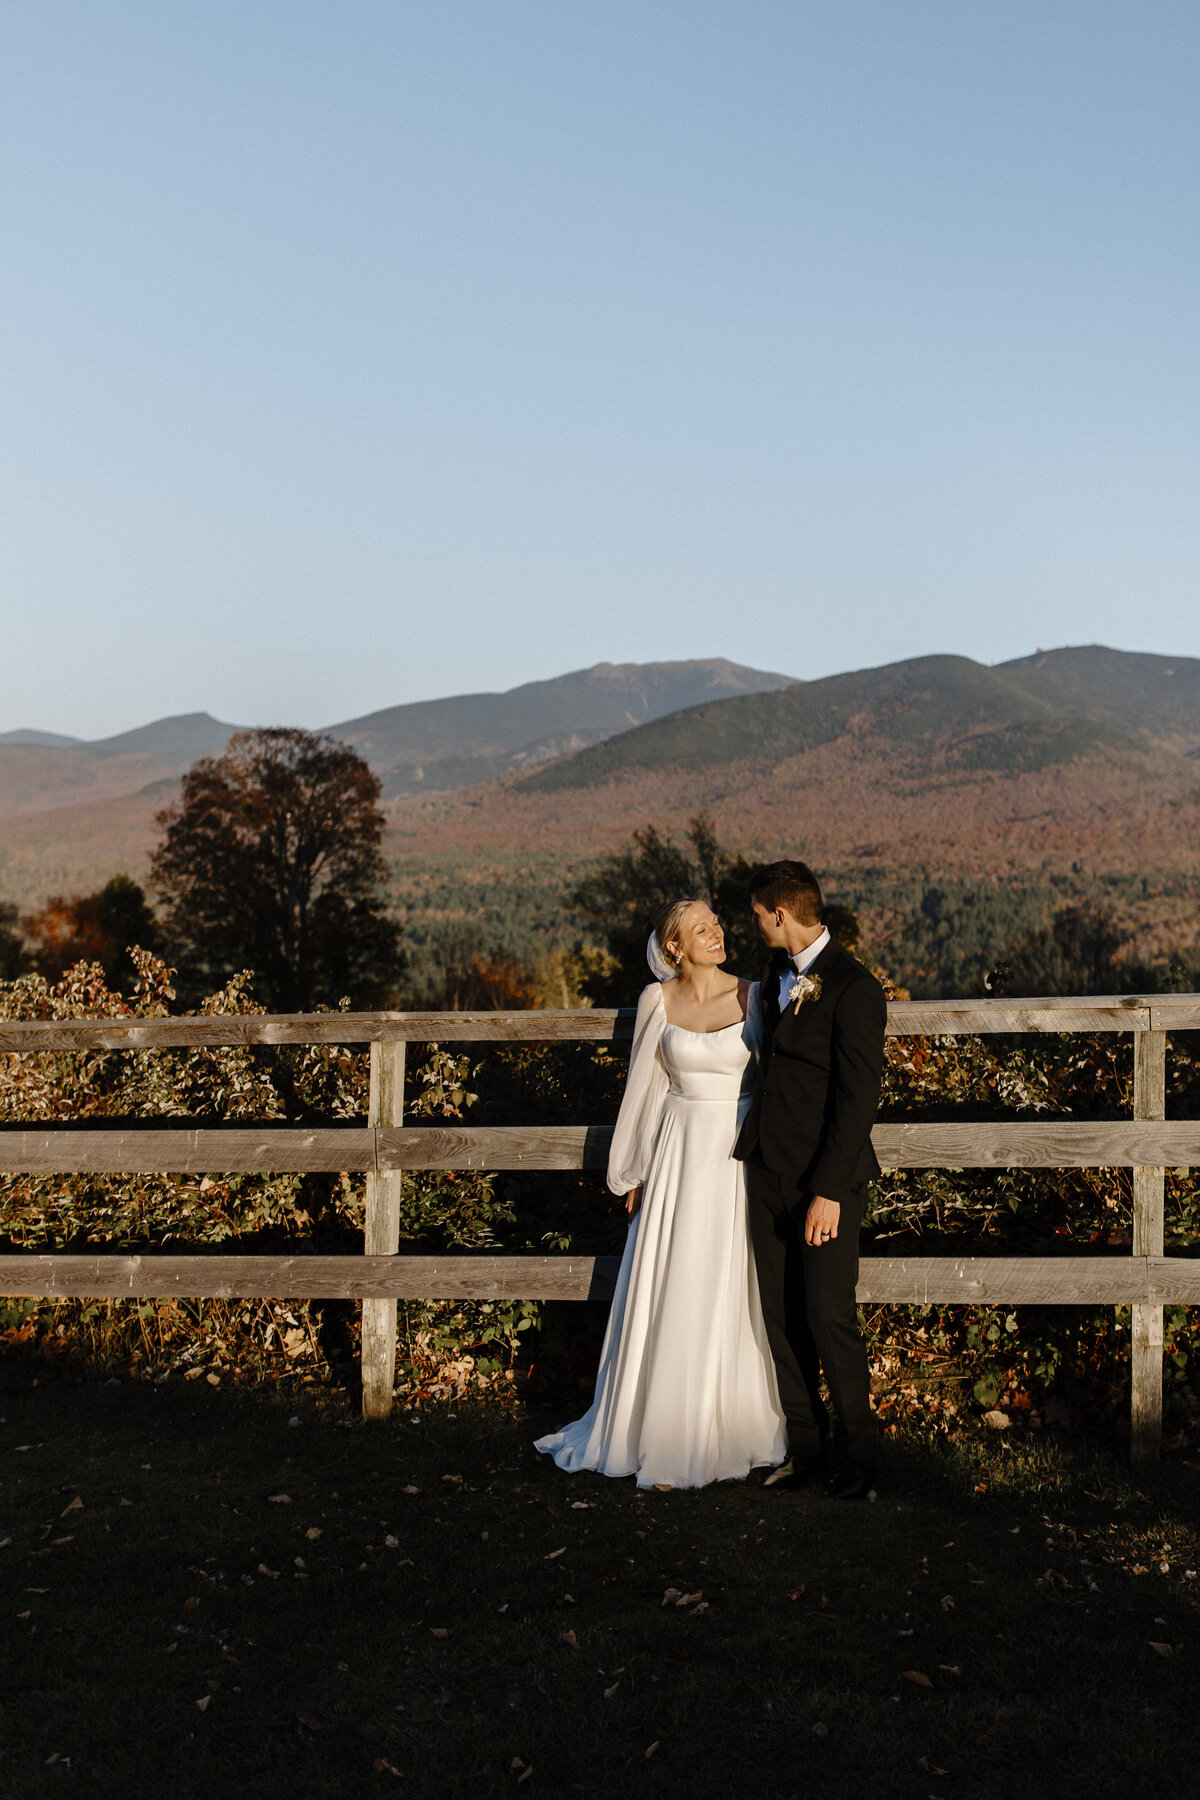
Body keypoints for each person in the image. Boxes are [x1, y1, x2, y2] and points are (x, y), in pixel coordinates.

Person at [534, 898, 786, 1489]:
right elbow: (645, 1089)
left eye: (719, 924)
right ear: (675, 947)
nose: (718, 933)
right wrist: (636, 1170)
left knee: (727, 1281)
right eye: (703, 929)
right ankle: (655, 1428)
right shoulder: (658, 1001)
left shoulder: (754, 995)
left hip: (734, 1157)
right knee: (673, 1277)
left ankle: (731, 1424)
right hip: (676, 1155)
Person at [735, 860, 887, 1501]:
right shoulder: (775, 976)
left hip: (824, 1182)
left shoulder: (854, 988)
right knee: (781, 1317)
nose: (755, 926)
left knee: (829, 1318)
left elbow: (857, 1101)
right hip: (767, 1169)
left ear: (778, 913)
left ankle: (861, 1462)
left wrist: (828, 1190)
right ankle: (805, 1450)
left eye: (757, 915)